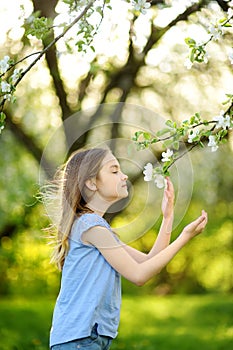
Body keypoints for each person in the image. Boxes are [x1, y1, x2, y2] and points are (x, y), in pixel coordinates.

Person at [48, 147, 208, 350]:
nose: (124, 176)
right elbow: (139, 275)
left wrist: (167, 218)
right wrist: (185, 237)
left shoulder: (96, 227)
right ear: (91, 182)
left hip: (86, 338)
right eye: (114, 171)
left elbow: (148, 260)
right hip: (79, 340)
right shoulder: (91, 226)